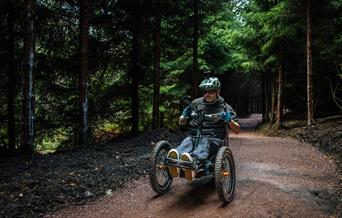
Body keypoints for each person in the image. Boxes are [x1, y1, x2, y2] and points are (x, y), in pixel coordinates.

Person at [167, 77, 240, 181]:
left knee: (204, 142)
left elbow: (237, 130)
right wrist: (183, 117)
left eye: (211, 92)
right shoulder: (195, 103)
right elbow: (182, 120)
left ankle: (193, 163)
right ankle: (176, 160)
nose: (207, 94)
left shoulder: (225, 107)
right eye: (205, 92)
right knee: (187, 141)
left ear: (217, 91)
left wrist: (229, 120)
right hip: (194, 136)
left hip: (214, 138)